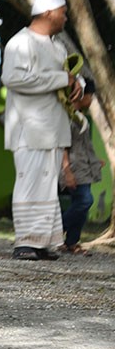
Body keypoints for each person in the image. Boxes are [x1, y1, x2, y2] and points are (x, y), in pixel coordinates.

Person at [1, 0, 83, 261]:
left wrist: (77, 87)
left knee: (47, 185)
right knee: (29, 181)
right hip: (29, 127)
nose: (66, 17)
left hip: (53, 127)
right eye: (63, 12)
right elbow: (13, 78)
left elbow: (70, 78)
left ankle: (41, 243)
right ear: (49, 12)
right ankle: (24, 242)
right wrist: (61, 79)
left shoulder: (57, 46)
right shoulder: (20, 42)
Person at [60, 79, 103, 255]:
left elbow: (83, 145)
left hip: (85, 167)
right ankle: (53, 232)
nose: (91, 99)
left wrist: (95, 160)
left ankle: (71, 241)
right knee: (85, 200)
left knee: (81, 204)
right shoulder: (67, 117)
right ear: (81, 94)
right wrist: (67, 170)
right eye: (90, 95)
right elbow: (63, 145)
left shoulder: (81, 117)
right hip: (74, 167)